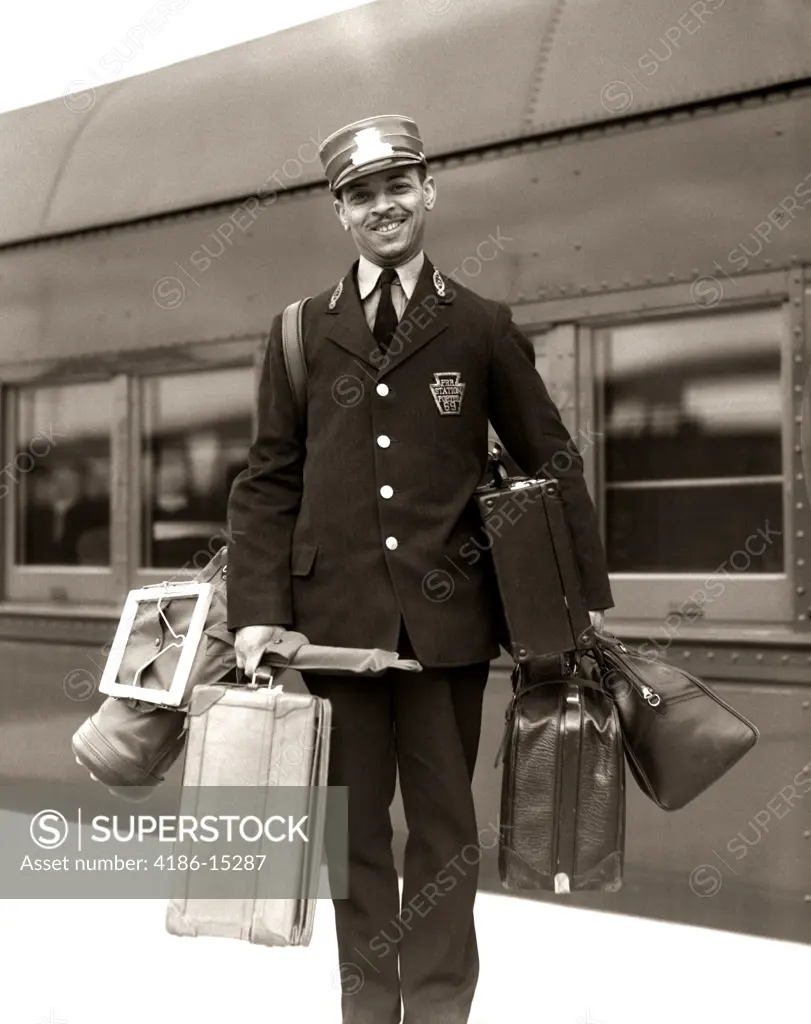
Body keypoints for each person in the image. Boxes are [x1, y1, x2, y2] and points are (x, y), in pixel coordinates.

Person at [226, 114, 613, 1024]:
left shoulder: (479, 325)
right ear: (339, 214)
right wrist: (254, 614)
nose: (382, 206)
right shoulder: (297, 332)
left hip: (449, 632)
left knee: (443, 841)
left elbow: (551, 465)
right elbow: (267, 481)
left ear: (428, 193)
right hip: (331, 634)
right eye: (360, 195)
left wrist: (576, 606)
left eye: (397, 186)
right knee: (353, 841)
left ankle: (438, 1012)